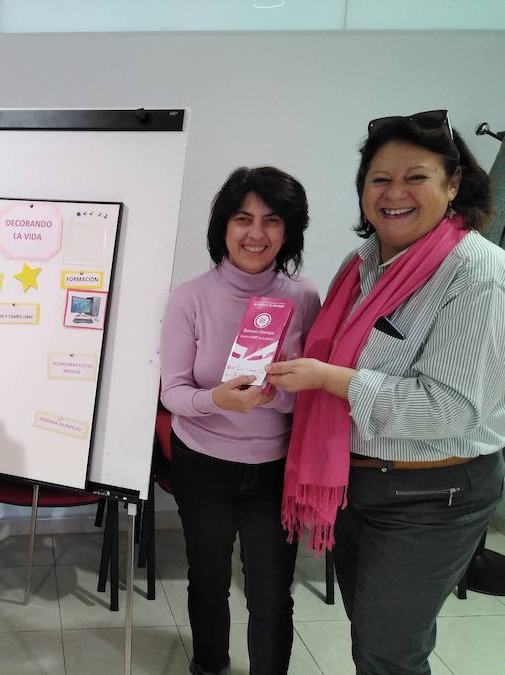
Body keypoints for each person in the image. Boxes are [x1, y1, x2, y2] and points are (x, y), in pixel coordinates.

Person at [267, 110, 505, 675]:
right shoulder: (364, 262)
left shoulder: (478, 273)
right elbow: (337, 353)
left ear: (453, 185)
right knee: (371, 639)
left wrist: (329, 380)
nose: (394, 194)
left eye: (415, 177)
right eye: (379, 180)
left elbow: (450, 409)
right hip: (360, 483)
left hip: (433, 491)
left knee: (388, 653)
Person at [160, 167, 321, 675]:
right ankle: (209, 665)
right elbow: (173, 393)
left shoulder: (303, 297)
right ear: (223, 228)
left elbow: (314, 397)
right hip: (202, 463)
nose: (256, 233)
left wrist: (272, 397)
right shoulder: (190, 298)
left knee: (271, 593)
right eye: (243, 218)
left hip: (276, 466)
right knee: (208, 580)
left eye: (272, 220)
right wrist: (219, 402)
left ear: (289, 230)